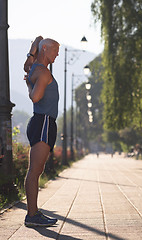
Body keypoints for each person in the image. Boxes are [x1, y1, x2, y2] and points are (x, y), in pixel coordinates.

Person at [23, 36, 60, 227]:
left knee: (37, 170)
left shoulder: (35, 68)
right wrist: (30, 86)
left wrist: (32, 50)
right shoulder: (43, 72)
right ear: (44, 48)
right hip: (43, 121)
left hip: (42, 122)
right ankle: (32, 215)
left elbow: (27, 67)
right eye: (55, 50)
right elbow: (36, 97)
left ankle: (33, 212)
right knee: (35, 170)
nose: (57, 54)